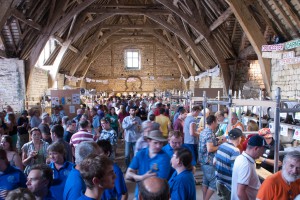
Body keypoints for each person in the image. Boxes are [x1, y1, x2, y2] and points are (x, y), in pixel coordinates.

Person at [125, 130, 171, 199]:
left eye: (161, 143)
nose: (158, 146)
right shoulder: (141, 154)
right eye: (155, 143)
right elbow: (127, 175)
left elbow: (156, 182)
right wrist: (142, 177)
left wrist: (135, 176)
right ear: (148, 141)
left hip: (157, 196)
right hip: (139, 194)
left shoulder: (165, 158)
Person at [231, 135, 268, 200]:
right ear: (256, 148)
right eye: (263, 150)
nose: (262, 154)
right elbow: (240, 192)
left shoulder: (241, 157)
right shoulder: (246, 164)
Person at [215, 128, 242, 200]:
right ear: (239, 138)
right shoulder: (235, 151)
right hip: (228, 184)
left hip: (219, 181)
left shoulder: (221, 146)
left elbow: (214, 162)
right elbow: (235, 171)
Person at [199, 115, 219, 200]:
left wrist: (217, 140)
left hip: (203, 160)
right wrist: (220, 146)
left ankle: (204, 198)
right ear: (213, 122)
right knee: (214, 182)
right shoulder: (210, 133)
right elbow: (210, 148)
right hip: (208, 161)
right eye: (217, 122)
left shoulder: (204, 131)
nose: (217, 124)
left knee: (206, 181)